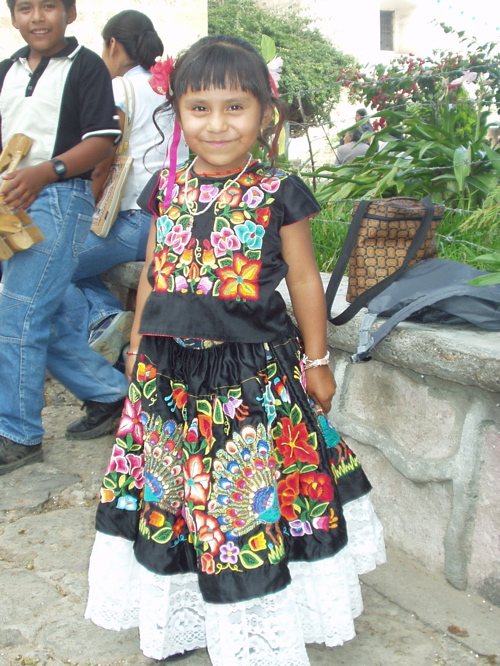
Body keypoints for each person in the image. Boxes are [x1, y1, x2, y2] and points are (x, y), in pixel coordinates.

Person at [85, 35, 385, 664]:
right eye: (200, 108)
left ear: (264, 114)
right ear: (176, 112)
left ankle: (257, 627)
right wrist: (139, 341)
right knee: (175, 491)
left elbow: (305, 281)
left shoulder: (279, 190)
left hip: (248, 376)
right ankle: (183, 617)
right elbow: (154, 271)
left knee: (239, 497)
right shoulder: (166, 188)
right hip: (167, 376)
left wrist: (319, 360)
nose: (217, 124)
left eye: (234, 107)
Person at [0, 0, 126, 475]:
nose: (37, 16)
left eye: (49, 5)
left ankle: (17, 433)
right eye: (25, 7)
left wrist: (45, 172)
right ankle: (111, 395)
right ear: (12, 15)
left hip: (59, 197)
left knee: (18, 315)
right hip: (11, 201)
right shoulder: (6, 69)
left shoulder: (86, 66)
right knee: (36, 315)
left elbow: (102, 140)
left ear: (70, 13)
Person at [66, 10, 188, 372]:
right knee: (68, 263)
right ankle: (105, 319)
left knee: (48, 264)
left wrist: (82, 208)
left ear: (114, 45)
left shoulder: (120, 87)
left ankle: (102, 322)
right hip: (172, 217)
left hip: (137, 220)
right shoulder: (168, 85)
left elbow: (103, 157)